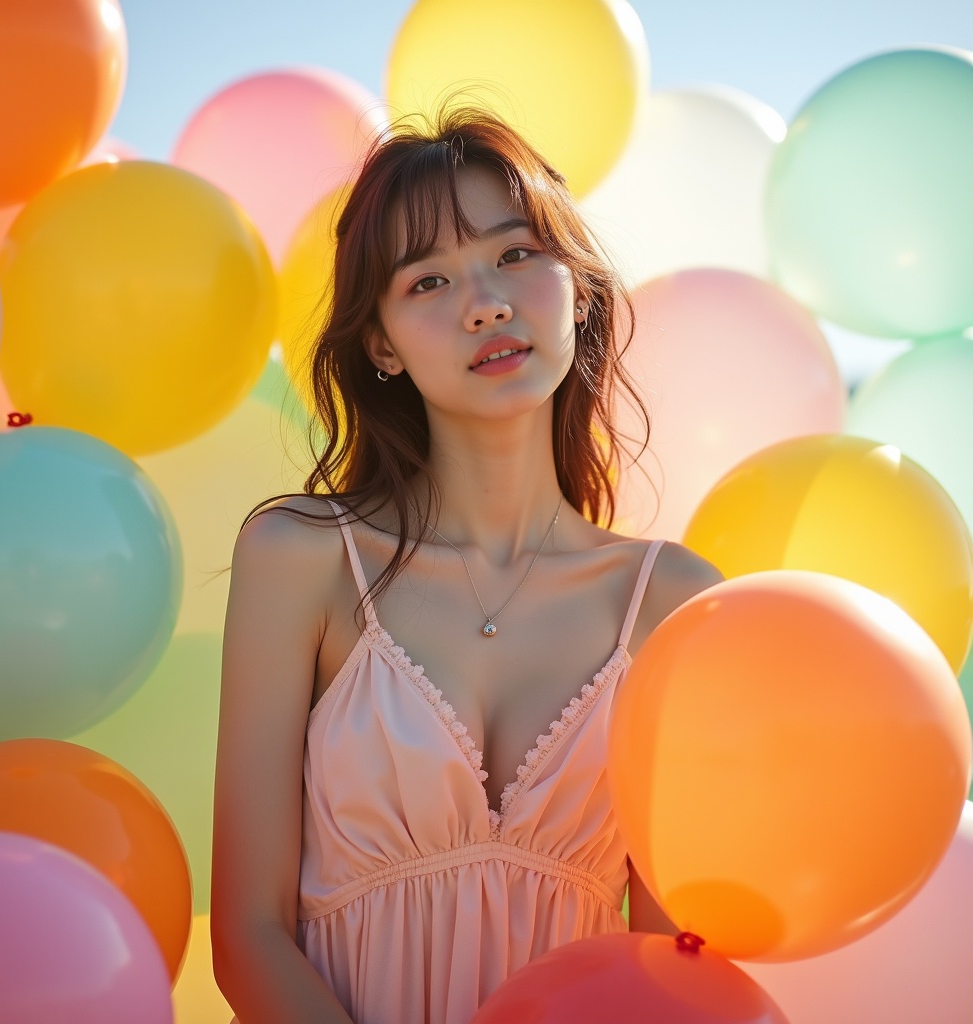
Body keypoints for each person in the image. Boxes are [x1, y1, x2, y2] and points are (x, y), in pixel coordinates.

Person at [211, 107, 722, 1024]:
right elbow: (249, 935)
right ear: (380, 346)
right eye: (429, 280)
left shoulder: (674, 603)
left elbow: (667, 972)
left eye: (516, 255)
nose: (485, 302)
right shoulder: (304, 559)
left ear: (580, 289)